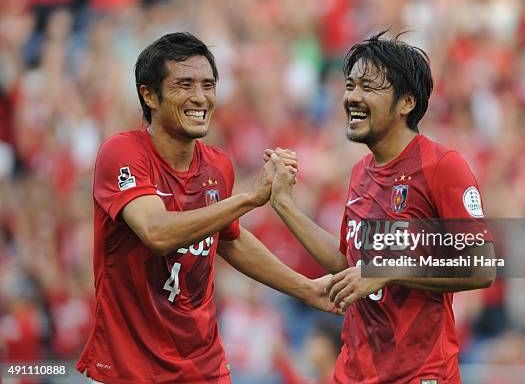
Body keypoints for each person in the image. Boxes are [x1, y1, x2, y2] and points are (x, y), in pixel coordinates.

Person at [76, 32, 336, 384]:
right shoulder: (122, 153)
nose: (200, 97)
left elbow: (231, 241)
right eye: (184, 85)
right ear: (148, 95)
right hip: (130, 369)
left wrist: (307, 288)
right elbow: (156, 232)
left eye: (208, 85)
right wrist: (249, 198)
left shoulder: (217, 166)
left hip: (204, 367)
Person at [267, 32, 495, 383]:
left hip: (419, 373)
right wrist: (284, 205)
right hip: (354, 372)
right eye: (350, 85)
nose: (353, 97)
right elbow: (348, 263)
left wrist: (385, 269)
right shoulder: (361, 172)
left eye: (369, 88)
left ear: (406, 102)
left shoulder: (442, 166)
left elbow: (480, 267)